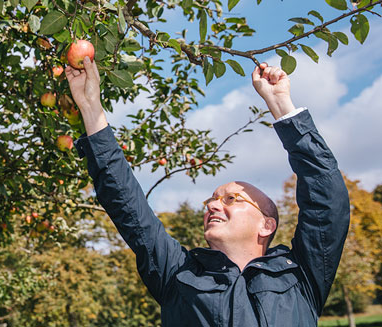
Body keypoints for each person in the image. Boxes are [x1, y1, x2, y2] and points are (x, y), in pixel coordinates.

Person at [65, 57, 350, 327]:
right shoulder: (178, 274)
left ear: (267, 224)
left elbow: (326, 196)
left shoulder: (302, 275)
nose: (213, 206)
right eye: (212, 199)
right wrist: (91, 107)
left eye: (230, 199)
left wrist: (281, 105)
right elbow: (127, 205)